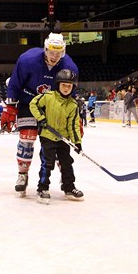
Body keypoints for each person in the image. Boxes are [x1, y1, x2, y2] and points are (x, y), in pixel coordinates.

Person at [5, 33, 78, 197]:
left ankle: (66, 180)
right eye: (51, 52)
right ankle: (22, 175)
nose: (54, 56)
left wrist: (74, 118)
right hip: (29, 102)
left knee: (59, 142)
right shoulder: (27, 60)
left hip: (54, 107)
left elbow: (71, 93)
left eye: (58, 53)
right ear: (45, 49)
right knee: (27, 137)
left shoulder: (69, 67)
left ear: (63, 51)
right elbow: (15, 83)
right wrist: (10, 108)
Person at [29, 69, 84, 204]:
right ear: (58, 84)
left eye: (69, 86)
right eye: (64, 85)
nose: (66, 88)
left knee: (66, 163)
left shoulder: (72, 104)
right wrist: (41, 118)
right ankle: (43, 188)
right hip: (47, 135)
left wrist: (77, 142)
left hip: (63, 138)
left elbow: (73, 125)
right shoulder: (48, 97)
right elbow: (33, 104)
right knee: (47, 163)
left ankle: (69, 187)